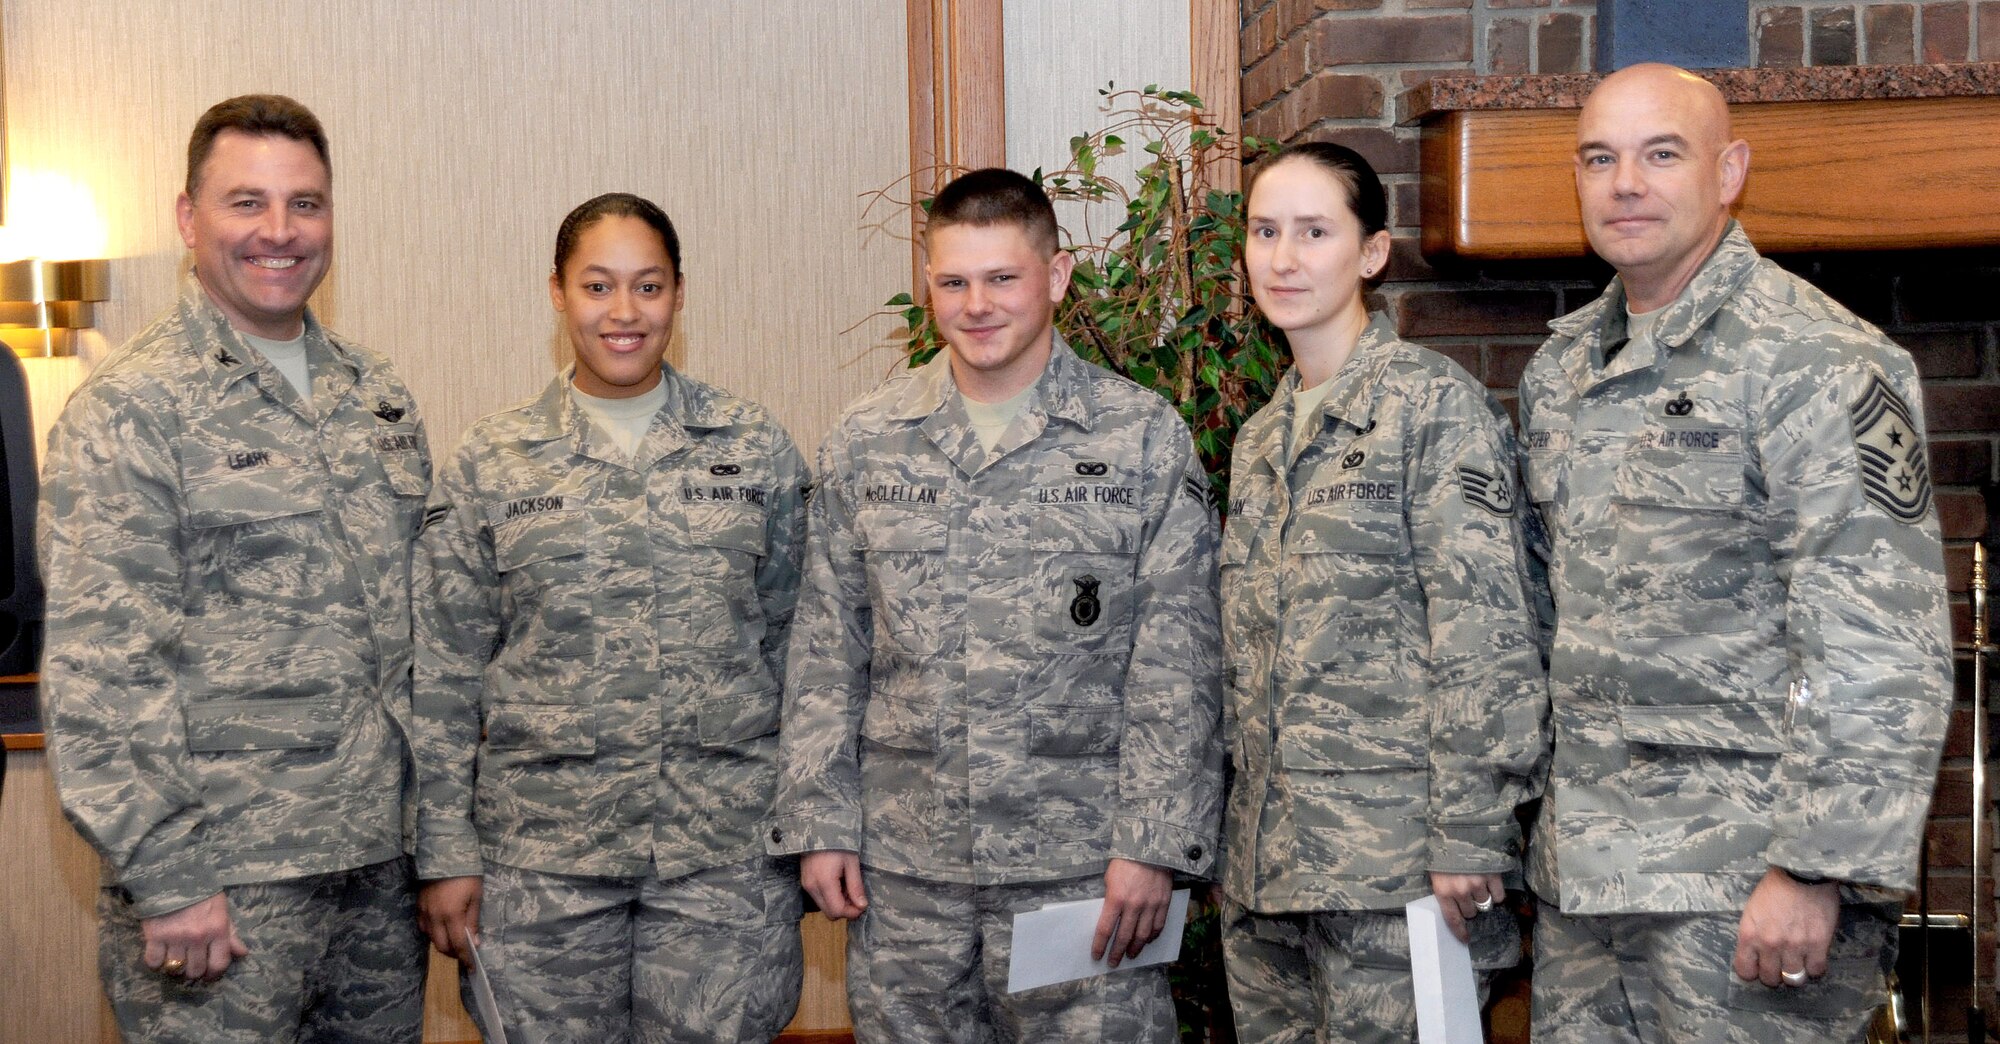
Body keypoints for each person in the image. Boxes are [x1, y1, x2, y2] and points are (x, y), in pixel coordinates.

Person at [1519, 63, 1953, 1042]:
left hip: (1745, 891)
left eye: (1660, 154)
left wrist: (1813, 867)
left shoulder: (1820, 359)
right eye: (1599, 159)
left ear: (1728, 172)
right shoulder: (1561, 372)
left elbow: (1881, 637)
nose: (1625, 183)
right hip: (1586, 893)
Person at [768, 167, 1223, 1042]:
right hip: (907, 877)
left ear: (1056, 276)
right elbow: (827, 647)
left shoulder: (1140, 437)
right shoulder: (868, 441)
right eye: (953, 282)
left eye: (1002, 278)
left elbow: (1180, 661)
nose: (976, 306)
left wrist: (1154, 843)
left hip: (1085, 873)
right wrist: (820, 822)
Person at [38, 94, 432, 1041]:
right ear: (188, 217)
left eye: (305, 203)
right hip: (225, 888)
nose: (280, 231)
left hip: (379, 873)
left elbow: (422, 630)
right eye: (246, 202)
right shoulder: (133, 407)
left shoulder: (374, 393)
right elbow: (103, 668)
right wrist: (169, 876)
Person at [412, 192, 809, 1042]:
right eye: (598, 287)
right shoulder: (492, 461)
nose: (624, 312)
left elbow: (804, 656)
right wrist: (444, 852)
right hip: (541, 868)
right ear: (557, 293)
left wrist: (810, 829)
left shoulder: (753, 448)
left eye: (648, 286)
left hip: (723, 861)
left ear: (679, 294)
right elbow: (443, 675)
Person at [1215, 142, 1548, 1042]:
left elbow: (1487, 633)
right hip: (1266, 877)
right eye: (1264, 232)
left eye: (1314, 232)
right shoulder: (1261, 438)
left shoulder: (1432, 409)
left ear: (1371, 254)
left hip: (1400, 874)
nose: (1283, 258)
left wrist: (1470, 830)